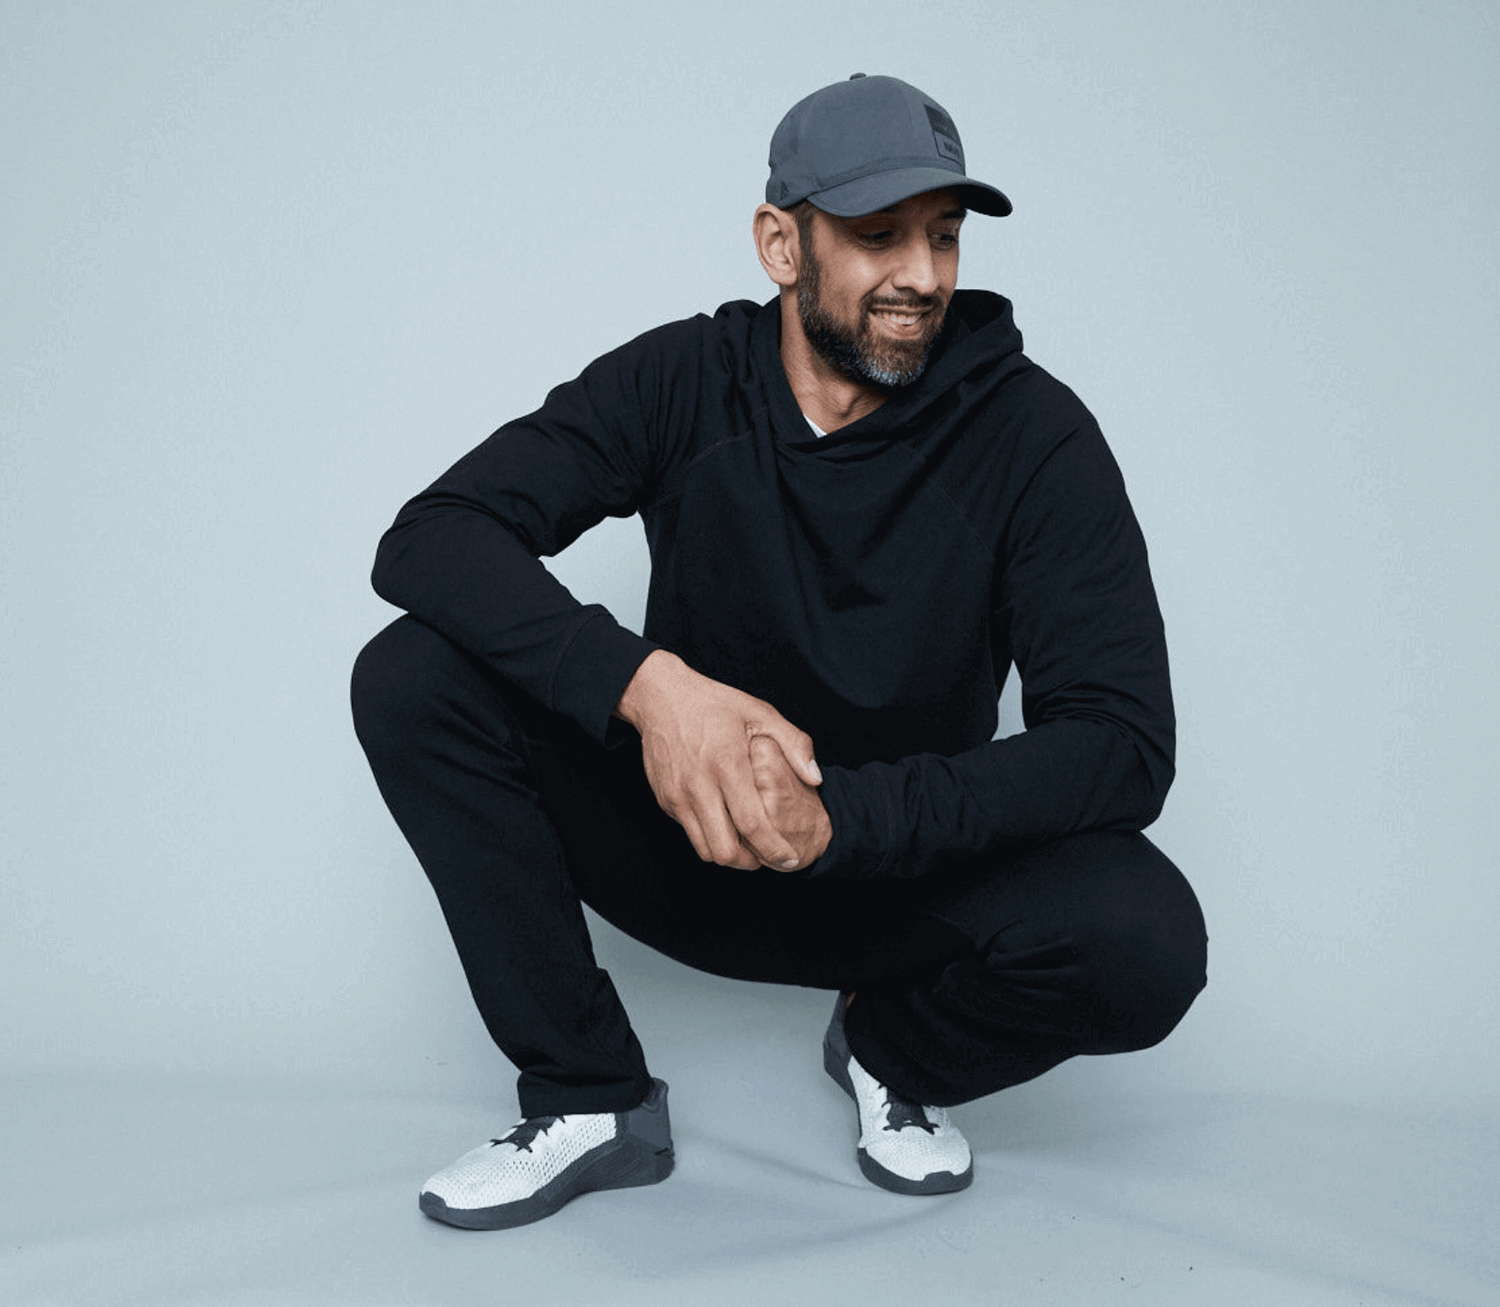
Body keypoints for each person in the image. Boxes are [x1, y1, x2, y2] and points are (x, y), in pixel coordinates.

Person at [351, 73, 1207, 1231]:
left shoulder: (1034, 435)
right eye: (876, 235)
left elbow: (1121, 745)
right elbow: (433, 536)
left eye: (943, 235)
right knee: (412, 673)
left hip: (902, 887)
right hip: (687, 843)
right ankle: (590, 1093)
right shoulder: (685, 379)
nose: (921, 274)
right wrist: (650, 691)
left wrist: (848, 819)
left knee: (1146, 934)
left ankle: (888, 1047)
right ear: (781, 243)